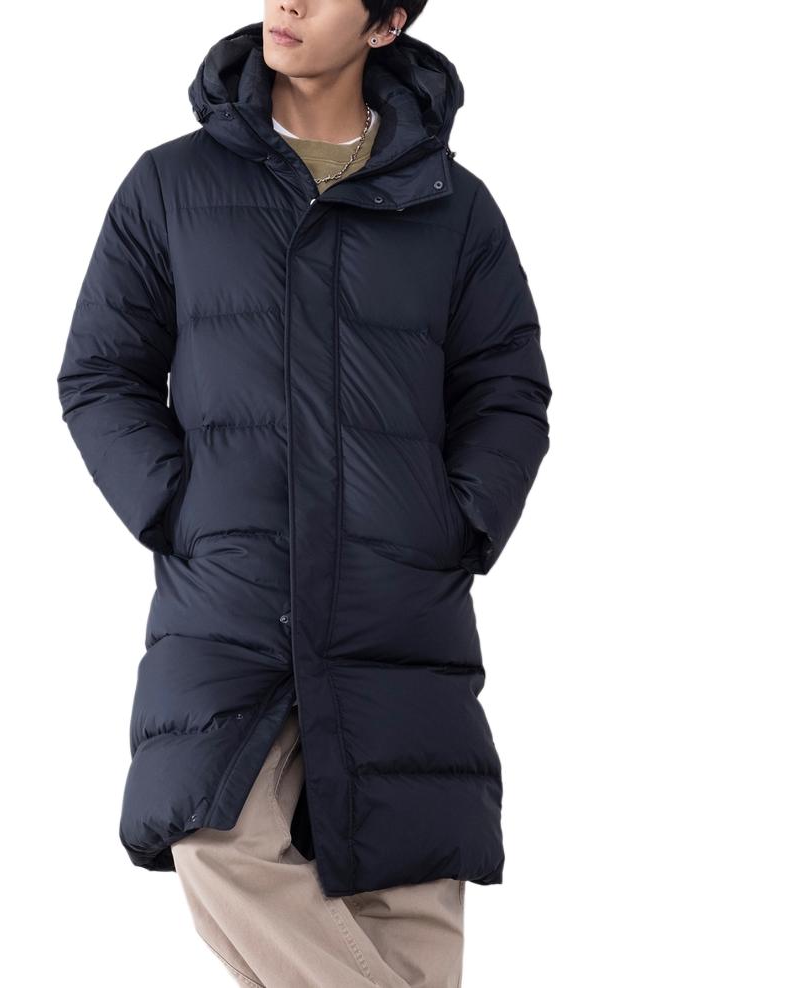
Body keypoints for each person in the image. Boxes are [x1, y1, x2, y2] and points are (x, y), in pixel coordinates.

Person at [57, 3, 552, 985]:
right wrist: (182, 509)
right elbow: (101, 374)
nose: (285, 4)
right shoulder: (172, 185)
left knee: (405, 888)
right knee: (216, 831)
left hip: (395, 595)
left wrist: (454, 523)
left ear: (384, 25)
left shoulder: (453, 206)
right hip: (235, 593)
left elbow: (507, 389)